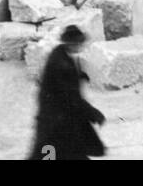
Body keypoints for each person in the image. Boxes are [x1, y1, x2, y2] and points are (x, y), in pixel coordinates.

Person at [27, 23, 106, 161]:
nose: (81, 46)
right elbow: (71, 97)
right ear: (72, 43)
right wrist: (93, 113)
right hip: (58, 124)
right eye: (79, 43)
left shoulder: (59, 53)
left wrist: (80, 76)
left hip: (57, 122)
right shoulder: (62, 65)